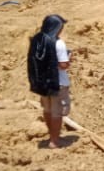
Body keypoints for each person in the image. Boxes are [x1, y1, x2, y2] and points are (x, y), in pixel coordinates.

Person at [27, 14, 71, 149]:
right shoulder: (59, 43)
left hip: (43, 83)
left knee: (47, 110)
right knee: (57, 112)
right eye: (60, 27)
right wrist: (69, 59)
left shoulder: (37, 40)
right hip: (58, 83)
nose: (61, 30)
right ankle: (55, 141)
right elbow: (63, 65)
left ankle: (51, 136)